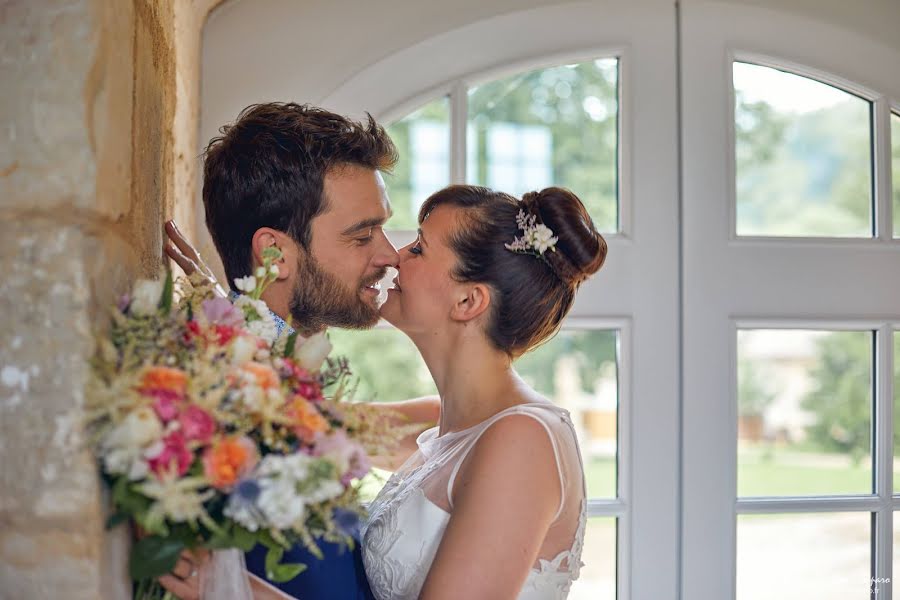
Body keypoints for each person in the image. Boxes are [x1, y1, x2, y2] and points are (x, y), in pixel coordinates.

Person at [159, 102, 439, 600]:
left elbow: (429, 428)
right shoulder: (214, 403)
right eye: (361, 235)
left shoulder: (266, 377)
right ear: (273, 254)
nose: (389, 254)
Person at [362, 185, 606, 599]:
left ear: (468, 300)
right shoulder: (447, 421)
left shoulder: (523, 440)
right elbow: (308, 424)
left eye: (419, 248)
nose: (395, 256)